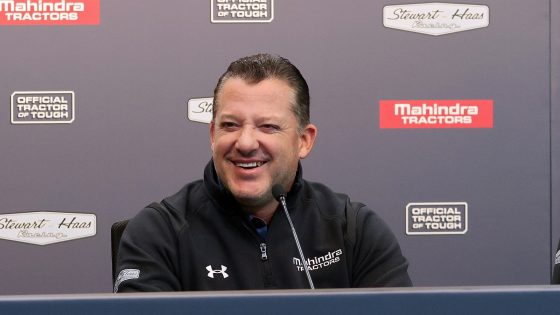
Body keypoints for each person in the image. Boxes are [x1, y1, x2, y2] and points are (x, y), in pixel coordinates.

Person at [114, 53, 412, 292]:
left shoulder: (353, 230)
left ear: (304, 140)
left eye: (268, 127)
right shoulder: (159, 232)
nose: (245, 143)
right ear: (212, 135)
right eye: (230, 125)